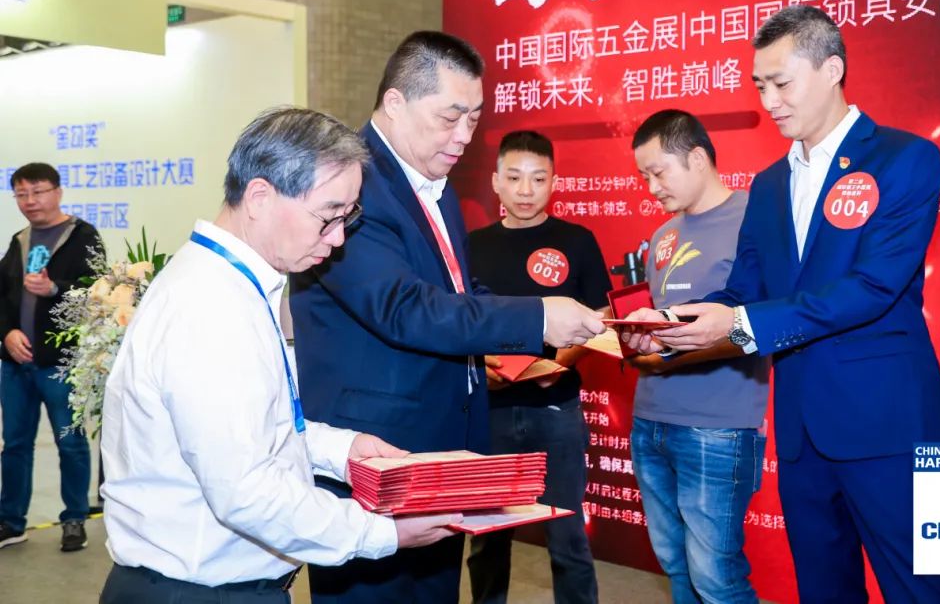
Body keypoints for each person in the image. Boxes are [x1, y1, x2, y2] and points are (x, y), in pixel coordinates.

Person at [625, 5, 940, 603]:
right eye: (760, 86)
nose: (770, 100)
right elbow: (744, 293)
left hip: (895, 426)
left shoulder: (906, 158)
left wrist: (741, 321)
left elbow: (873, 287)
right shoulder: (770, 184)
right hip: (803, 435)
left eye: (781, 83)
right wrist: (672, 324)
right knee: (824, 591)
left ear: (831, 70)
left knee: (923, 592)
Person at [289, 31, 605, 604]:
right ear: (395, 103)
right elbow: (404, 308)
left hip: (440, 447)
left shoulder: (434, 187)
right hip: (377, 451)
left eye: (474, 118)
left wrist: (540, 325)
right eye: (450, 117)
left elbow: (456, 288)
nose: (464, 136)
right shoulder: (350, 186)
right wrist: (536, 317)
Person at [98, 108, 460, 603]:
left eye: (348, 217)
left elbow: (256, 432)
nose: (338, 238)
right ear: (260, 197)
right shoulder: (209, 308)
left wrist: (342, 450)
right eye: (328, 216)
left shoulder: (234, 285)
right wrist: (383, 532)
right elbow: (246, 491)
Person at [625, 110, 769, 604]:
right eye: (643, 176)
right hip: (650, 421)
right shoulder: (662, 237)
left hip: (718, 427)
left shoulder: (755, 222)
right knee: (675, 565)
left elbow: (760, 323)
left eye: (658, 172)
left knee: (717, 579)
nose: (651, 187)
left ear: (698, 158)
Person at [465, 130, 608, 604]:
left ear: (554, 183)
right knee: (487, 538)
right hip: (489, 412)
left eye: (538, 178)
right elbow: (459, 319)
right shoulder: (471, 246)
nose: (525, 190)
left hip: (556, 410)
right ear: (496, 182)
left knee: (567, 536)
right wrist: (481, 365)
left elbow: (601, 317)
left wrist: (558, 365)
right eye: (514, 178)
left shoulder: (577, 240)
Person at [0, 163, 100, 552]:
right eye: (22, 194)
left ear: (57, 192)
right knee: (15, 444)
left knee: (70, 443)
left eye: (38, 191)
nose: (30, 201)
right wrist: (6, 334)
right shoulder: (20, 240)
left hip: (61, 363)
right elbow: (2, 297)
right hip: (16, 365)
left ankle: (74, 518)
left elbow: (96, 290)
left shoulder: (82, 236)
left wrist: (54, 288)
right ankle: (11, 522)